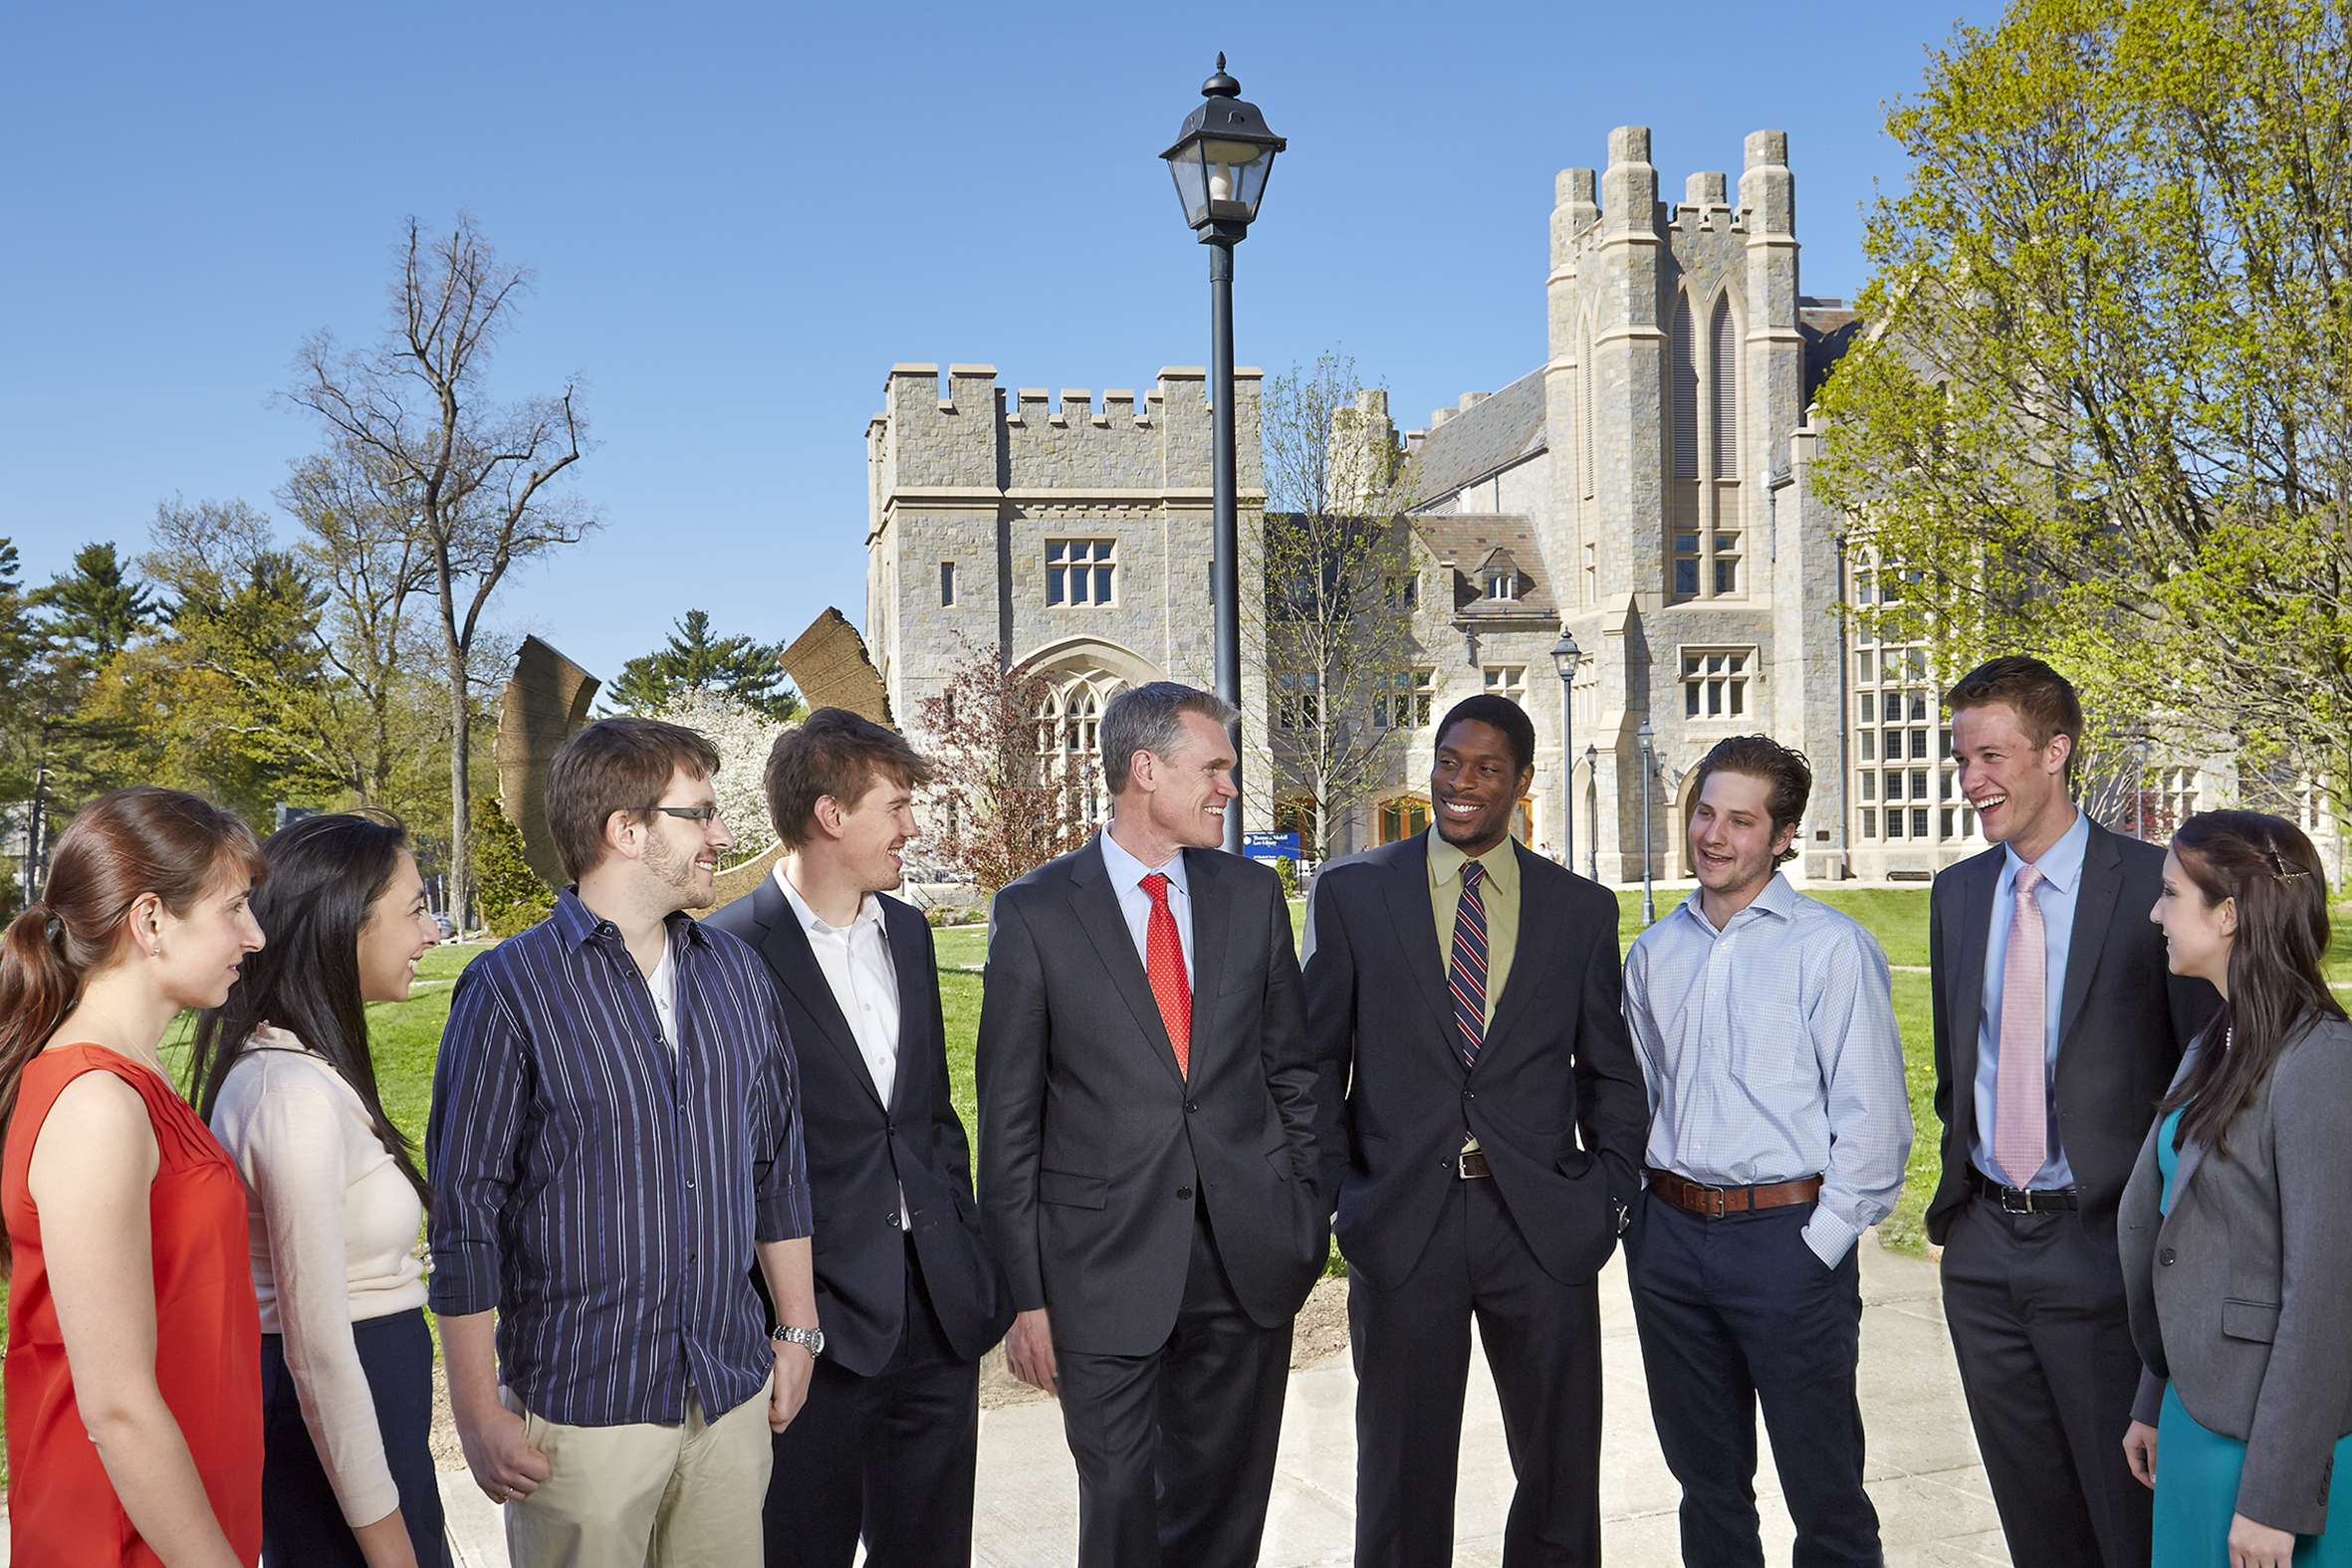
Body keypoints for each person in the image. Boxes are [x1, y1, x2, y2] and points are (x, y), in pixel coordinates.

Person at [426, 716, 820, 1567]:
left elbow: (777, 1166)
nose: (723, 834)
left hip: (728, 1398)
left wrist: (797, 1331)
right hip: (581, 1412)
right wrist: (475, 1409)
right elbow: (465, 1215)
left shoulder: (739, 974)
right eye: (701, 813)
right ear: (627, 830)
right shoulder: (507, 988)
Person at [977, 681, 1323, 1568]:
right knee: (1123, 1506)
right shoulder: (1037, 910)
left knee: (1226, 1508)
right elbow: (1009, 1121)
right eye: (1213, 766)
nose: (1229, 786)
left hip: (1245, 1261)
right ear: (1145, 769)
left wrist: (1301, 1213)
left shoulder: (1251, 896)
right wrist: (1025, 1295)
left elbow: (1295, 1071)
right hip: (1099, 1271)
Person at [1302, 694, 1648, 1568]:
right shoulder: (1353, 893)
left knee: (1560, 1470)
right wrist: (1343, 1196)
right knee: (1401, 1467)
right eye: (1450, 761)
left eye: (1486, 767)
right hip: (1403, 1221)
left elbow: (1610, 1071)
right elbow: (1312, 1067)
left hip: (1540, 1226)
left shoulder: (1580, 910)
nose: (1461, 782)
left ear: (1522, 782)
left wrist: (1606, 1196)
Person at [1926, 655, 2219, 1568]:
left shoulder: (2156, 889)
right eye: (1961, 758)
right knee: (2036, 1528)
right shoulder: (1958, 892)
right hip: (1983, 1256)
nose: (1973, 780)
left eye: (1992, 756)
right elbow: (1954, 1068)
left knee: (2125, 1528)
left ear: (2056, 750)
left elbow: (2208, 1087)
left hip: (2104, 1257)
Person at [704, 709, 1013, 1567]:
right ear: (830, 815)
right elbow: (732, 1155)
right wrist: (777, 1321)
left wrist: (973, 1257)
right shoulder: (725, 951)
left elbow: (928, 1115)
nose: (914, 825)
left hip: (938, 1309)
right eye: (897, 805)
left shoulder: (909, 932)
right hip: (812, 1326)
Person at [1621, 735, 1912, 1566]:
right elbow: (1636, 1104)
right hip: (1670, 1244)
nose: (1713, 835)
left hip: (1787, 1245)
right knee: (1706, 1488)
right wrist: (1643, 1230)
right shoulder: (1653, 952)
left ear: (1783, 836)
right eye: (1704, 812)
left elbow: (1875, 1123)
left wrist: (1817, 1244)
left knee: (1824, 1492)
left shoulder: (1830, 948)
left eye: (1740, 820)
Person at [0, 785, 269, 1567]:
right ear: (150, 920)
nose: (253, 935)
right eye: (234, 909)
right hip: (122, 1538)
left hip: (182, 1523)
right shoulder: (96, 1106)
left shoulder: (133, 1081)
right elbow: (116, 1405)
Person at [190, 812, 450, 1567]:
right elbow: (318, 1346)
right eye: (414, 908)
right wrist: (391, 1546)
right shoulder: (289, 1093)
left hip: (366, 1420)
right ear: (343, 925)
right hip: (337, 1437)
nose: (431, 933)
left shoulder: (302, 1068)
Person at [2119, 811, 2352, 1568]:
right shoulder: (2214, 1041)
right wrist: (2155, 1397)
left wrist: (2275, 1499)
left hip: (2270, 1453)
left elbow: (2326, 1298)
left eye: (2171, 893)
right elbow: (2187, 1239)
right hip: (2195, 1421)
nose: (2155, 912)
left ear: (2229, 914)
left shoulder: (2321, 1063)